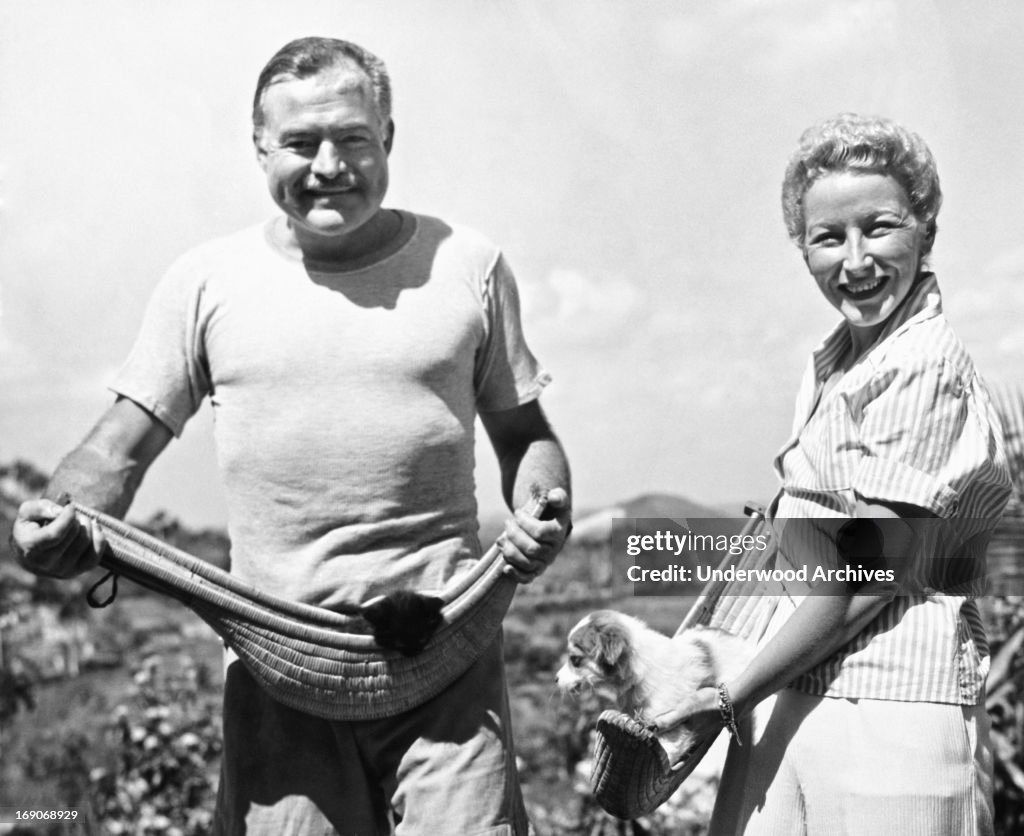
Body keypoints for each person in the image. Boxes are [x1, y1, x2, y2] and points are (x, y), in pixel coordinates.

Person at [11, 36, 572, 835]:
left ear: (388, 139)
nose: (329, 165)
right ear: (260, 149)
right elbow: (116, 449)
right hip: (280, 669)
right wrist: (60, 514)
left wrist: (544, 510)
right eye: (302, 143)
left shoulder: (467, 267)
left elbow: (525, 434)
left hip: (446, 654)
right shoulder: (206, 282)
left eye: (352, 138)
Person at [659, 114, 1011, 835]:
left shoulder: (923, 364)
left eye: (879, 227)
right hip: (804, 691)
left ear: (926, 230)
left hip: (890, 711)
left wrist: (728, 697)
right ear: (804, 250)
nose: (855, 260)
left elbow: (862, 577)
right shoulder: (838, 362)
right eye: (828, 237)